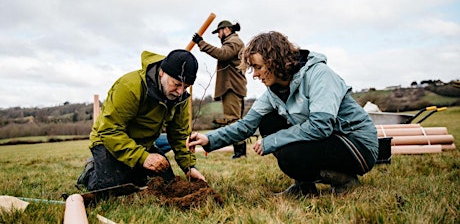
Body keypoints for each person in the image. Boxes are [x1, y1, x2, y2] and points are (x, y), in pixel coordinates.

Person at [187, 31, 378, 196]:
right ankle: (304, 186)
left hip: (356, 145)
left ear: (276, 62)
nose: (254, 75)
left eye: (258, 67)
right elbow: (246, 125)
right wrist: (210, 139)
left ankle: (344, 180)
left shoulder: (319, 74)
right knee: (268, 121)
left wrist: (274, 140)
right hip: (327, 141)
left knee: (290, 153)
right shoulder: (273, 92)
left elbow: (320, 126)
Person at [76, 49, 206, 191]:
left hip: (144, 145)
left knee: (165, 184)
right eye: (176, 84)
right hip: (108, 141)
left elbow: (179, 134)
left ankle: (134, 171)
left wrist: (189, 167)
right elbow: (109, 130)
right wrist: (143, 157)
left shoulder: (180, 97)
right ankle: (90, 171)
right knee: (111, 189)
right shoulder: (129, 87)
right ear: (162, 72)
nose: (180, 91)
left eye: (186, 87)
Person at [191, 20, 247, 159]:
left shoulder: (234, 41)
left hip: (232, 87)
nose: (218, 36)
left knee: (233, 120)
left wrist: (201, 43)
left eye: (219, 32)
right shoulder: (233, 41)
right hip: (232, 86)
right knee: (234, 120)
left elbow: (222, 54)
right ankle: (239, 151)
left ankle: (240, 153)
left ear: (226, 29)